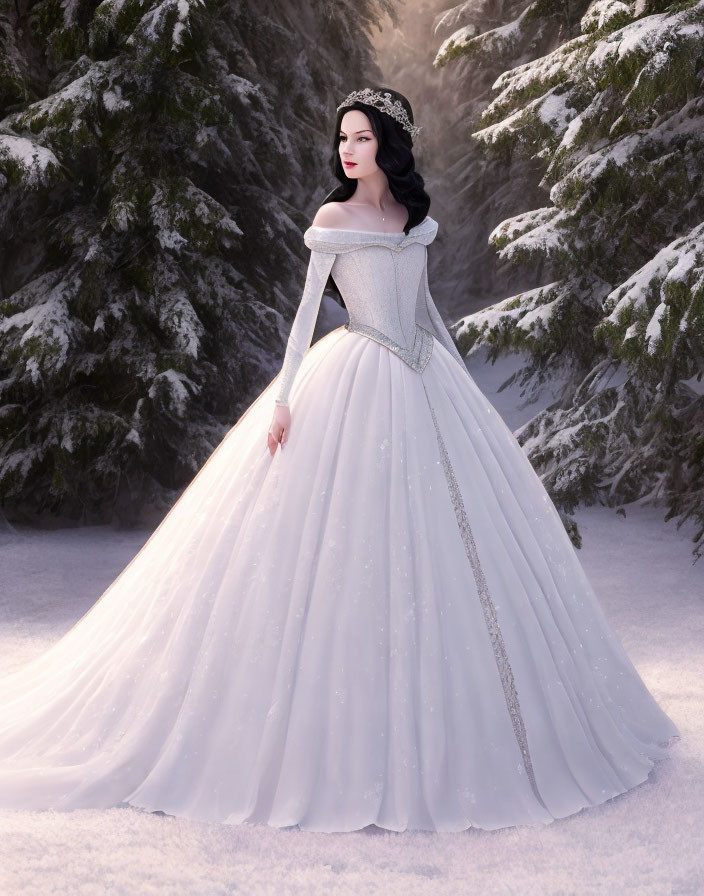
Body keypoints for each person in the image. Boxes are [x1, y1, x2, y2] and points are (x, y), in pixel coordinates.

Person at [0, 87, 679, 833]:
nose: (348, 150)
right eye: (343, 140)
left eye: (361, 138)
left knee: (455, 549)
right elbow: (304, 314)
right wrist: (286, 395)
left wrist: (466, 393)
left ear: (389, 144)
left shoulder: (412, 222)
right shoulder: (333, 220)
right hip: (353, 375)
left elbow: (425, 316)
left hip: (426, 379)